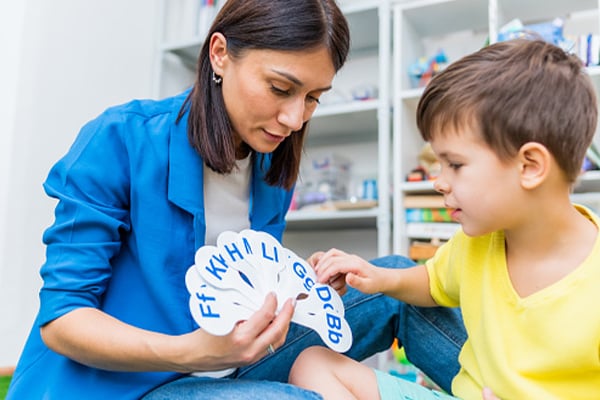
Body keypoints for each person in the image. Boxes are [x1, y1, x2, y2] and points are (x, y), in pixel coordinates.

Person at [7, 0, 468, 399]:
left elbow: (243, 286)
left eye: (313, 98)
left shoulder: (270, 168)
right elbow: (63, 321)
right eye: (280, 88)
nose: (294, 118)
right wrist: (194, 350)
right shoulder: (120, 139)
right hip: (132, 386)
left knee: (393, 280)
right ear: (220, 54)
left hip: (226, 361)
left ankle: (512, 388)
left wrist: (303, 294)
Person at [289, 38, 600, 400]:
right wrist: (376, 277)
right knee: (310, 363)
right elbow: (433, 283)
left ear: (529, 166)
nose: (438, 181)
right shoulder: (478, 242)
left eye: (454, 164)